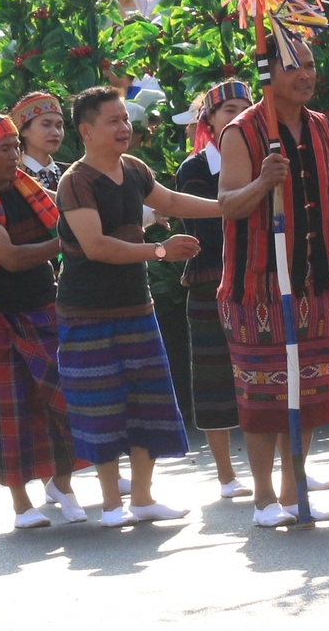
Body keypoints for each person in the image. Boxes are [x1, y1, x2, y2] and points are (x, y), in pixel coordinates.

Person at [215, 38, 329, 529]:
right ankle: (264, 498)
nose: (307, 74)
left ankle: (293, 491)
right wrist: (261, 183)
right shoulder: (241, 132)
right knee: (264, 397)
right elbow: (229, 205)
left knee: (307, 392)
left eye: (310, 65)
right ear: (268, 75)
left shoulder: (318, 127)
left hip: (312, 281)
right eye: (295, 67)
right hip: (258, 288)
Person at [55, 86, 224, 525]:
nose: (124, 127)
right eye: (112, 121)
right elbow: (95, 246)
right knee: (102, 406)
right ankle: (112, 504)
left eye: (125, 119)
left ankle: (144, 498)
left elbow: (170, 202)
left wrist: (229, 208)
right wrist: (159, 251)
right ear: (86, 130)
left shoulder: (133, 168)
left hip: (136, 306)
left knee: (147, 402)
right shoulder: (75, 180)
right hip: (87, 312)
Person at [0, 114, 81, 528]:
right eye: (4, 149)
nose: (14, 156)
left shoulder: (32, 190)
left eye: (15, 147)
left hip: (45, 306)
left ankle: (62, 483)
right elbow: (13, 257)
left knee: (65, 396)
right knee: (11, 409)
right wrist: (73, 240)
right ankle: (22, 503)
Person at [171, 82, 252, 499]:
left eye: (245, 108)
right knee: (214, 379)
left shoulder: (263, 159)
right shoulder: (195, 168)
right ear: (210, 120)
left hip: (259, 280)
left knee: (268, 375)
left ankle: (286, 468)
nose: (238, 116)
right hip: (212, 284)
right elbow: (211, 229)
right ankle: (225, 474)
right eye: (228, 110)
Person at [11, 91, 65, 191]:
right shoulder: (12, 178)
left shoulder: (72, 174)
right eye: (46, 125)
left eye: (59, 126)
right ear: (23, 130)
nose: (56, 133)